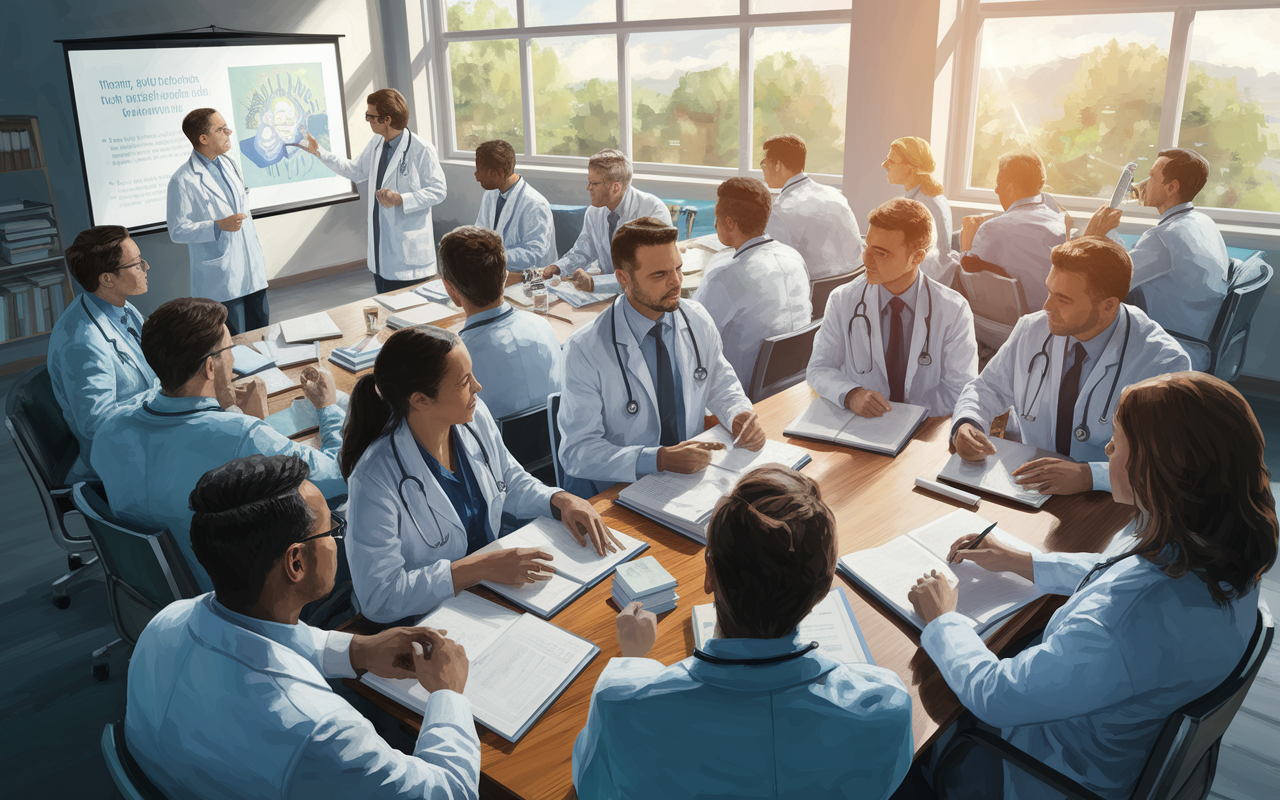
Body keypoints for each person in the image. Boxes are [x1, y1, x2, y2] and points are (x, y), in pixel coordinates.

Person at [909, 371, 1277, 800]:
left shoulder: (1123, 624)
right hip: (1117, 737)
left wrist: (942, 622)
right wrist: (1025, 561)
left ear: (1155, 472)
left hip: (1043, 771)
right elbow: (1112, 568)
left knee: (910, 744)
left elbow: (997, 696)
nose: (1106, 450)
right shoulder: (1223, 546)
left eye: (1118, 442)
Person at [125, 454, 482, 800]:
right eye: (331, 529)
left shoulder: (165, 621)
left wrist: (358, 650)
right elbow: (451, 792)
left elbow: (258, 641)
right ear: (296, 561)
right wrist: (446, 693)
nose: (335, 540)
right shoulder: (322, 731)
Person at [573, 466, 913, 799]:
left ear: (709, 576)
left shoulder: (622, 704)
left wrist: (633, 660)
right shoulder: (885, 707)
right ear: (822, 590)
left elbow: (592, 788)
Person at [342, 325, 617, 624]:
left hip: (491, 591)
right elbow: (379, 596)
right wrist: (478, 568)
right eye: (464, 382)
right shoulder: (373, 480)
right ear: (420, 400)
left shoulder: (473, 416)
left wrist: (560, 499)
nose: (478, 387)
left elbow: (509, 479)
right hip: (426, 618)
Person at [91, 297, 346, 590]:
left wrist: (226, 408)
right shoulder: (243, 435)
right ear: (210, 367)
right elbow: (339, 479)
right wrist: (328, 408)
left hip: (153, 583)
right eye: (230, 350)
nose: (233, 360)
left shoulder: (109, 429)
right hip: (234, 592)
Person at [951, 236, 1191, 495]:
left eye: (1063, 299)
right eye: (1049, 291)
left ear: (1108, 306)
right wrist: (968, 422)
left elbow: (1164, 463)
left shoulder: (1163, 361)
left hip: (1113, 498)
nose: (1046, 306)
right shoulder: (1032, 329)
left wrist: (1091, 476)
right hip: (1031, 486)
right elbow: (987, 387)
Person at [558, 218, 765, 498]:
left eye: (678, 269)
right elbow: (577, 452)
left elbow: (720, 382)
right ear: (623, 278)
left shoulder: (696, 319)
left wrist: (739, 413)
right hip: (620, 491)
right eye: (659, 275)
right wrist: (659, 459)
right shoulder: (584, 349)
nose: (676, 282)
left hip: (690, 480)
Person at [808, 198, 977, 418]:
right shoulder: (843, 299)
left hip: (925, 426)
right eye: (866, 246)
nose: (866, 259)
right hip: (860, 426)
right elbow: (819, 368)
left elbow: (960, 388)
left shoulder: (953, 310)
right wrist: (852, 395)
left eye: (880, 253)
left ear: (917, 258)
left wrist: (904, 416)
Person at [1081, 148, 1230, 370]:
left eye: (1151, 177)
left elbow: (1109, 282)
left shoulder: (1163, 238)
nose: (1143, 184)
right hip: (1198, 333)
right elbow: (1135, 262)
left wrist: (1091, 236)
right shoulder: (1201, 222)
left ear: (1171, 188)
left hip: (1174, 343)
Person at [303, 88, 447, 293]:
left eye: (371, 117)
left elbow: (439, 190)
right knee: (387, 307)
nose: (368, 121)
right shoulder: (377, 142)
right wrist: (319, 152)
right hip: (382, 252)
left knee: (412, 313)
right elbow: (356, 171)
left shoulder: (421, 149)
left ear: (387, 119)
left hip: (410, 258)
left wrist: (400, 199)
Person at [47, 225, 159, 480]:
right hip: (122, 462)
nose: (146, 267)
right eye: (137, 263)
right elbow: (98, 425)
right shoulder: (82, 341)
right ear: (107, 279)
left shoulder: (121, 308)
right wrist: (166, 401)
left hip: (148, 435)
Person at [692, 177, 811, 390]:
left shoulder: (725, 276)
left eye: (716, 217)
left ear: (730, 223)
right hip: (793, 381)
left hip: (739, 392)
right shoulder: (794, 257)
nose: (713, 223)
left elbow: (694, 337)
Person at [438, 226, 562, 420]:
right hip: (553, 445)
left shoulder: (457, 358)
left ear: (450, 289)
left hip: (496, 449)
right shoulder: (542, 326)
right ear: (505, 277)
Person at [167, 107, 269, 335]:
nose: (229, 132)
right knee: (235, 343)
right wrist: (216, 226)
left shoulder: (230, 164)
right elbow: (177, 230)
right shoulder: (182, 180)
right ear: (203, 138)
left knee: (263, 335)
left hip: (251, 269)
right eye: (221, 129)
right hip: (222, 279)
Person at [541, 148, 672, 295]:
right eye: (589, 182)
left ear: (615, 187)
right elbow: (583, 251)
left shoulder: (653, 212)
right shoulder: (594, 212)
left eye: (595, 183)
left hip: (646, 297)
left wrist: (594, 283)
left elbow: (646, 274)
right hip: (610, 295)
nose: (588, 188)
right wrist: (557, 268)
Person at [959, 152, 1068, 312]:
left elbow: (970, 283)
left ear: (1010, 187)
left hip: (1011, 322)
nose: (996, 190)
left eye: (998, 184)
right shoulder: (1060, 221)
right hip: (1051, 314)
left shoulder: (991, 229)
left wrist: (966, 243)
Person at [760, 133, 863, 281]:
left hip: (817, 294)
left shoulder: (781, 211)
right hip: (854, 284)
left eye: (764, 164)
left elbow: (775, 266)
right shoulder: (834, 194)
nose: (763, 170)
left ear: (777, 165)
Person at [473, 139, 555, 274]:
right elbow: (480, 231)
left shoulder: (535, 204)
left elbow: (535, 252)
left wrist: (493, 258)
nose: (476, 176)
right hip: (496, 272)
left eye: (479, 170)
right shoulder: (490, 194)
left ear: (497, 173)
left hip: (529, 278)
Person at [883, 136, 955, 285]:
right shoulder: (931, 196)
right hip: (937, 271)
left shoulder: (920, 206)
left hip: (928, 276)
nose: (884, 165)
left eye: (892, 161)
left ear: (912, 168)